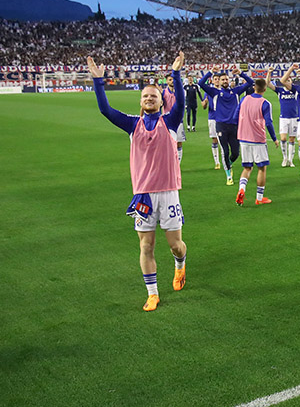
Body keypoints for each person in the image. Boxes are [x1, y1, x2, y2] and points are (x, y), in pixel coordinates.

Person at [87, 52, 189, 312]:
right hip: (143, 194)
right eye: (145, 96)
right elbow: (105, 110)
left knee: (175, 245)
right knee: (146, 245)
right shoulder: (132, 125)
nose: (149, 98)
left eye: (153, 96)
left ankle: (180, 265)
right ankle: (153, 293)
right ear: (140, 102)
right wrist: (99, 82)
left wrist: (176, 74)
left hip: (168, 192)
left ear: (160, 101)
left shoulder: (170, 120)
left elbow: (182, 104)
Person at [199, 69, 254, 185]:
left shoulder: (236, 91)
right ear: (219, 81)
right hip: (221, 125)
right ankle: (229, 175)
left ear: (229, 80)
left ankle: (228, 163)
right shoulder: (215, 92)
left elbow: (250, 82)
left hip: (234, 125)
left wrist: (240, 73)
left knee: (235, 153)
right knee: (225, 150)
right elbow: (201, 83)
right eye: (222, 79)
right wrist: (210, 72)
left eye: (226, 79)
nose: (224, 81)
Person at [235, 79, 280, 206]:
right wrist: (274, 138)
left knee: (247, 167)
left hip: (243, 138)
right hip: (258, 139)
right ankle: (259, 198)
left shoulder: (244, 99)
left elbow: (236, 115)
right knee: (261, 168)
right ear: (265, 90)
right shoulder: (265, 103)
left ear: (254, 87)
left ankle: (242, 189)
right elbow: (269, 123)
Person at [269, 64, 299, 168]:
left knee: (292, 139)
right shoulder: (279, 91)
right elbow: (268, 83)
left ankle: (291, 160)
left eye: (289, 80)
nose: (287, 82)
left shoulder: (295, 91)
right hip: (284, 118)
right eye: (287, 80)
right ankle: (285, 157)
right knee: (283, 138)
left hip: (294, 118)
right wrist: (269, 73)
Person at [161, 80, 186, 162]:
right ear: (167, 81)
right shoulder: (163, 92)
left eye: (173, 80)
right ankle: (168, 162)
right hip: (167, 122)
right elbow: (159, 105)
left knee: (179, 143)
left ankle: (177, 163)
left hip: (179, 121)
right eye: (170, 80)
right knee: (167, 144)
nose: (172, 81)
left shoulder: (180, 92)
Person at [202, 74, 221, 170]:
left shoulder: (224, 90)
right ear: (212, 81)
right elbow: (204, 106)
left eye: (218, 79)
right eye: (215, 79)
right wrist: (204, 103)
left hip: (222, 118)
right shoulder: (208, 91)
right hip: (212, 118)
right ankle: (217, 161)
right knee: (214, 139)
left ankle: (225, 160)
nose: (217, 81)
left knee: (223, 140)